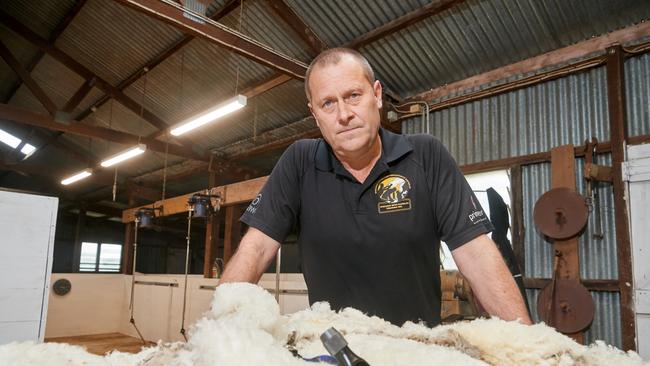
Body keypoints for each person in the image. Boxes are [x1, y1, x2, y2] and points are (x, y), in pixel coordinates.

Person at [219, 47, 532, 327]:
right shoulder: (300, 162)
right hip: (334, 353)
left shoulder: (425, 155)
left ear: (377, 95)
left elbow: (476, 253)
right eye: (328, 103)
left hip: (416, 351)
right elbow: (256, 248)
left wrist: (529, 348)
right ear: (315, 115)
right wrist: (216, 332)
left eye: (353, 95)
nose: (344, 114)